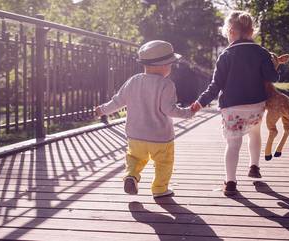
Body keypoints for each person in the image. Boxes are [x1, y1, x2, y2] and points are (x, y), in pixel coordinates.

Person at [191, 11, 279, 196]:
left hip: (232, 107)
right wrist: (273, 63)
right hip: (256, 104)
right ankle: (254, 167)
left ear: (231, 31)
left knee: (233, 143)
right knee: (254, 133)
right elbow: (272, 77)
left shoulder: (226, 55)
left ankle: (230, 182)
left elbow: (216, 85)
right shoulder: (262, 52)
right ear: (251, 31)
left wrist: (200, 102)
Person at [96, 40, 195, 198]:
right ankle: (160, 189)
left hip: (135, 135)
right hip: (161, 137)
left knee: (134, 158)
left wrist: (103, 110)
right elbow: (169, 110)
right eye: (170, 64)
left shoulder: (133, 81)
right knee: (164, 163)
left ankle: (131, 176)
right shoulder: (166, 85)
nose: (171, 68)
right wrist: (189, 112)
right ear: (163, 66)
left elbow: (117, 101)